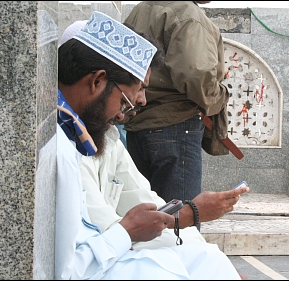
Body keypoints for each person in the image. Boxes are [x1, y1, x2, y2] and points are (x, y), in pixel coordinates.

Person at [53, 11, 245, 280]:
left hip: (107, 254)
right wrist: (186, 216)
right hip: (99, 261)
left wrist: (183, 227)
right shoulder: (58, 145)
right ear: (96, 81)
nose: (134, 108)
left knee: (209, 261)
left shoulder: (99, 137)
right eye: (125, 102)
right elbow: (73, 266)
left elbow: (144, 202)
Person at [123, 1, 230, 207]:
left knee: (149, 216)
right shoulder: (189, 15)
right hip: (176, 126)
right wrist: (219, 96)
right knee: (180, 221)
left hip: (139, 126)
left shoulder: (142, 8)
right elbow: (196, 75)